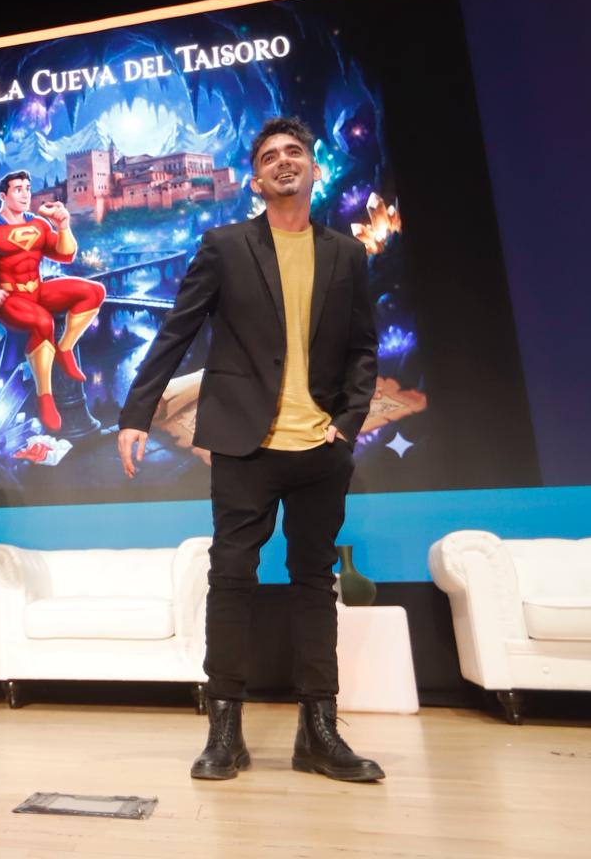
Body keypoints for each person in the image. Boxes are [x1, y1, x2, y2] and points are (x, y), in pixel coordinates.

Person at [116, 116, 384, 783]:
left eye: (296, 152)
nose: (285, 161)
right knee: (231, 580)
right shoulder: (226, 245)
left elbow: (362, 352)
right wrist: (137, 414)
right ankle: (225, 730)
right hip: (244, 445)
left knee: (313, 583)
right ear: (256, 178)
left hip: (320, 447)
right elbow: (176, 333)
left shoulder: (346, 255)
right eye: (271, 156)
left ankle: (319, 732)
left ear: (313, 168)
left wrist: (347, 424)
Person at [0, 170, 105, 432]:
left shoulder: (38, 225)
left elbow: (65, 255)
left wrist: (63, 225)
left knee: (94, 291)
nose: (24, 193)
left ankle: (65, 348)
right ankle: (45, 397)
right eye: (17, 189)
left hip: (37, 289)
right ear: (3, 195)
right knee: (43, 321)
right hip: (9, 298)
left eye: (27, 188)